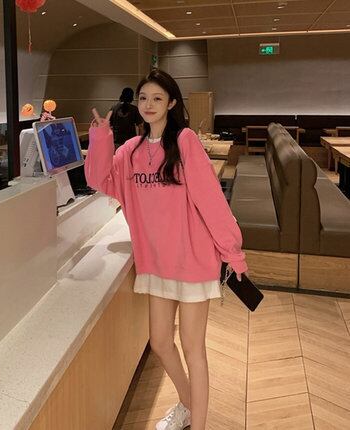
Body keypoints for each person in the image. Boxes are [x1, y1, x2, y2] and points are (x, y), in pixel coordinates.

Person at [85, 69, 248, 430]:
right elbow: (99, 180)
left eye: (157, 98)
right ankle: (188, 405)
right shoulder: (130, 151)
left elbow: (211, 200)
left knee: (193, 348)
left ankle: (198, 424)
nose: (149, 104)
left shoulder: (185, 141)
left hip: (192, 260)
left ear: (172, 103)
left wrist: (232, 250)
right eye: (143, 98)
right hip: (156, 262)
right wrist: (100, 138)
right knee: (160, 342)